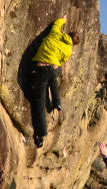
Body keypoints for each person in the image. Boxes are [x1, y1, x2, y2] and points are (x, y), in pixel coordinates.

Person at [28, 15, 80, 148]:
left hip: (41, 68)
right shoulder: (69, 50)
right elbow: (62, 62)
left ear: (67, 33)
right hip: (51, 69)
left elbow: (56, 24)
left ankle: (41, 134)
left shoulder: (56, 33)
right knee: (53, 76)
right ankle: (57, 102)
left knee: (39, 101)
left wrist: (64, 19)